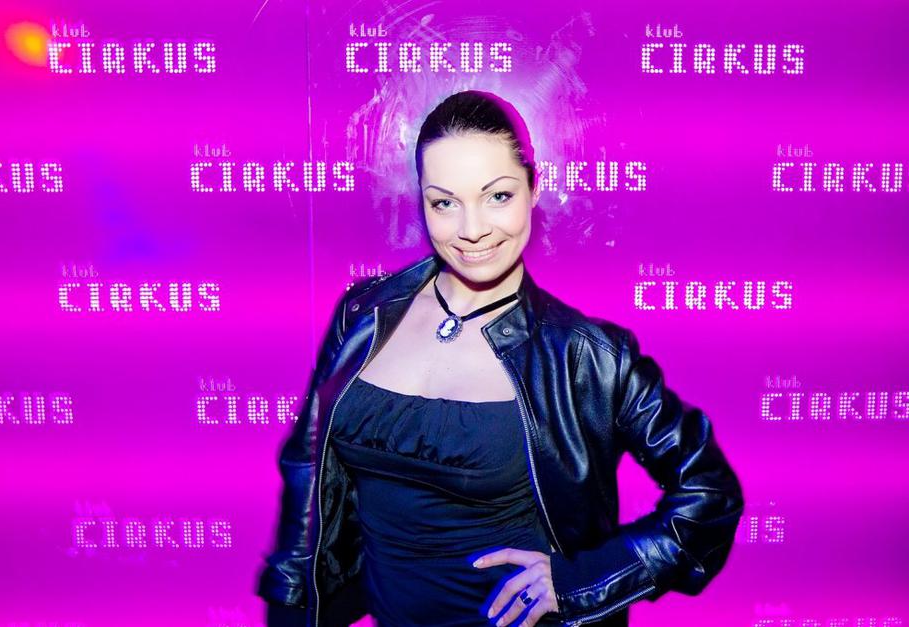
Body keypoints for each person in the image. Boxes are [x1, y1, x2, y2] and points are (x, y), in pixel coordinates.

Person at [256, 90, 744, 627]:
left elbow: (711, 493)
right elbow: (306, 477)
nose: (472, 230)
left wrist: (583, 580)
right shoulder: (363, 313)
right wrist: (289, 612)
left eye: (498, 196)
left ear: (534, 189)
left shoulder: (586, 356)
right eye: (444, 203)